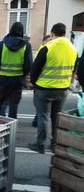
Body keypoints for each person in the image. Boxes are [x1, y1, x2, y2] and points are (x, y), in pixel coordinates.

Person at [29, 23, 78, 154]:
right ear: (64, 33)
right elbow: (73, 69)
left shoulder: (47, 47)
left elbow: (35, 69)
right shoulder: (73, 49)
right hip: (62, 89)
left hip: (44, 88)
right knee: (56, 117)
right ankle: (55, 144)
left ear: (52, 34)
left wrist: (34, 83)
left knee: (43, 117)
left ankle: (40, 144)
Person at [0, 22, 33, 119]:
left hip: (3, 79)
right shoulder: (26, 45)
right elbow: (28, 65)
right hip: (18, 80)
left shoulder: (2, 44)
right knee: (13, 105)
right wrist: (23, 75)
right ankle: (11, 127)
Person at [32, 35, 52, 127]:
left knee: (41, 106)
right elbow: (35, 67)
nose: (49, 42)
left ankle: (36, 120)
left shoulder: (46, 49)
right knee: (38, 104)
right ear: (43, 41)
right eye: (48, 41)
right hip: (40, 82)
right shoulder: (42, 50)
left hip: (43, 83)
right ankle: (37, 120)